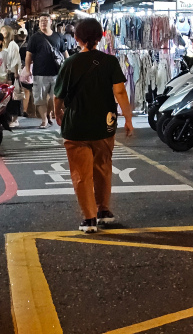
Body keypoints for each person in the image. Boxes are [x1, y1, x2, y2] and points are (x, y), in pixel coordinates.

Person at [54, 17, 133, 233]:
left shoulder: (69, 64)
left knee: (81, 174)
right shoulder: (110, 62)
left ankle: (89, 219)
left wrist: (57, 113)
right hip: (104, 125)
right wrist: (128, 118)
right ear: (100, 37)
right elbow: (120, 92)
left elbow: (58, 96)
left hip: (76, 126)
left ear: (77, 38)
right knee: (103, 168)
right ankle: (104, 210)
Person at [25, 13, 68, 129]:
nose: (43, 22)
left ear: (50, 22)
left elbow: (65, 53)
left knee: (56, 97)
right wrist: (27, 69)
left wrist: (68, 67)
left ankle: (49, 113)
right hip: (39, 73)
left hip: (56, 73)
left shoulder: (58, 36)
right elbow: (29, 55)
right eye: (41, 21)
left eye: (45, 20)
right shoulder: (35, 38)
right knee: (40, 99)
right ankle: (44, 120)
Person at [1, 25, 22, 127]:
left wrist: (16, 73)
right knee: (7, 98)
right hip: (4, 73)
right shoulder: (3, 44)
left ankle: (15, 119)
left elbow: (16, 60)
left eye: (4, 30)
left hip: (12, 73)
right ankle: (8, 118)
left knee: (14, 97)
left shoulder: (12, 45)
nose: (2, 32)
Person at [15, 31, 33, 117]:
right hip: (25, 68)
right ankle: (24, 109)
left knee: (20, 90)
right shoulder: (28, 45)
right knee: (26, 90)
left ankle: (21, 110)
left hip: (19, 69)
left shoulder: (14, 44)